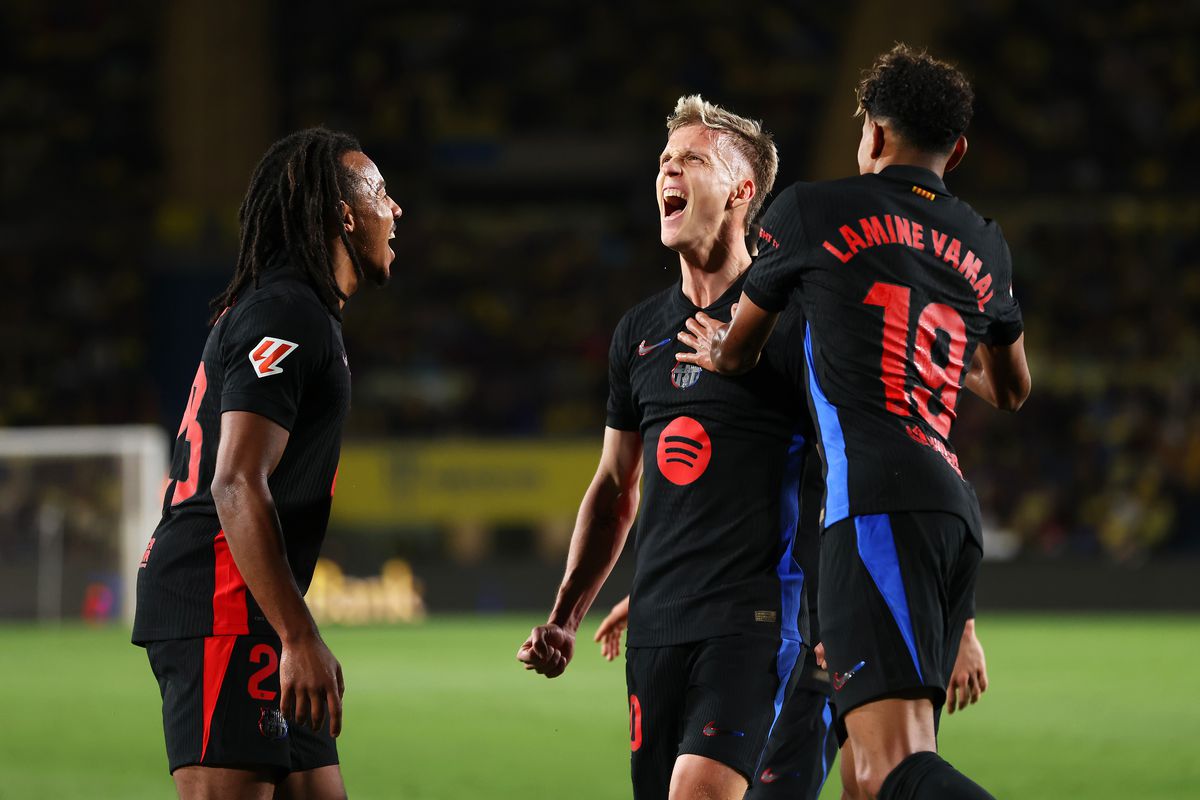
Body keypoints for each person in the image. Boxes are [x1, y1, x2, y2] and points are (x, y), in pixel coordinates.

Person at [677, 45, 1029, 800]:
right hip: (952, 514)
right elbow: (1012, 388)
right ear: (956, 151)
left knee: (889, 764)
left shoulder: (811, 210)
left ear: (872, 133)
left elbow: (739, 351)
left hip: (874, 506)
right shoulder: (985, 242)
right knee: (866, 782)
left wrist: (717, 350)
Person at [517, 95, 813, 800]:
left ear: (741, 191)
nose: (668, 172)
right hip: (656, 625)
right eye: (664, 160)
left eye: (692, 160)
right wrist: (565, 617)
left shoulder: (795, 319)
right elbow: (614, 487)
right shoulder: (639, 333)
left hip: (753, 618)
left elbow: (848, 458)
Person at [132, 127, 402, 800]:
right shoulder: (287, 310)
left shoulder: (301, 309)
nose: (395, 209)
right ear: (344, 215)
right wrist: (299, 634)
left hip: (252, 605)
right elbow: (234, 480)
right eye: (380, 193)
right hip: (221, 599)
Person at [594, 449, 990, 800]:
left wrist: (964, 626)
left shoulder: (827, 402)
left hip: (826, 621)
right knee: (862, 785)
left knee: (875, 778)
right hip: (770, 624)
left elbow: (909, 458)